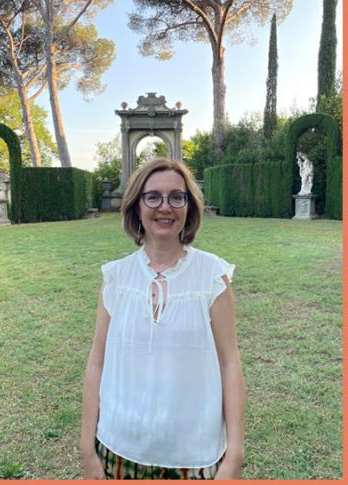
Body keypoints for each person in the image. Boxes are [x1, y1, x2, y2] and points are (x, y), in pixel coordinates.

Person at [81, 158, 245, 480]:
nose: (165, 207)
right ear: (137, 207)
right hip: (118, 450)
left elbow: (230, 364)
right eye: (153, 196)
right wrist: (87, 450)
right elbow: (96, 363)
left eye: (176, 197)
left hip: (193, 457)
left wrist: (235, 455)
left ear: (189, 206)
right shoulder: (116, 277)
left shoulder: (212, 276)